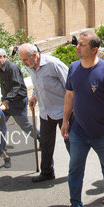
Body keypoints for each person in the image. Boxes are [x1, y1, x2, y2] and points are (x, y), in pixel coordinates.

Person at [58, 32, 104, 207]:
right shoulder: (73, 68)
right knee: (75, 169)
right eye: (77, 43)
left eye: (82, 45)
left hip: (103, 132)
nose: (77, 47)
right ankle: (75, 206)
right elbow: (69, 95)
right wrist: (65, 120)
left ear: (94, 49)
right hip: (79, 131)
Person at [19, 43, 71, 182]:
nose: (23, 63)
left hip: (62, 111)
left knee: (70, 142)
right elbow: (37, 84)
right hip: (45, 112)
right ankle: (47, 172)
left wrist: (71, 112)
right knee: (45, 144)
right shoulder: (31, 66)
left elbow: (70, 86)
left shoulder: (53, 64)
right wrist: (34, 96)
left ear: (35, 55)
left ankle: (77, 171)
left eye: (25, 60)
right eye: (22, 60)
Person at [0, 48, 39, 142]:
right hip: (7, 102)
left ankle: (42, 139)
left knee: (25, 125)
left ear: (4, 56)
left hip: (17, 102)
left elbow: (16, 86)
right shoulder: (1, 69)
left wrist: (6, 101)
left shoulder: (12, 68)